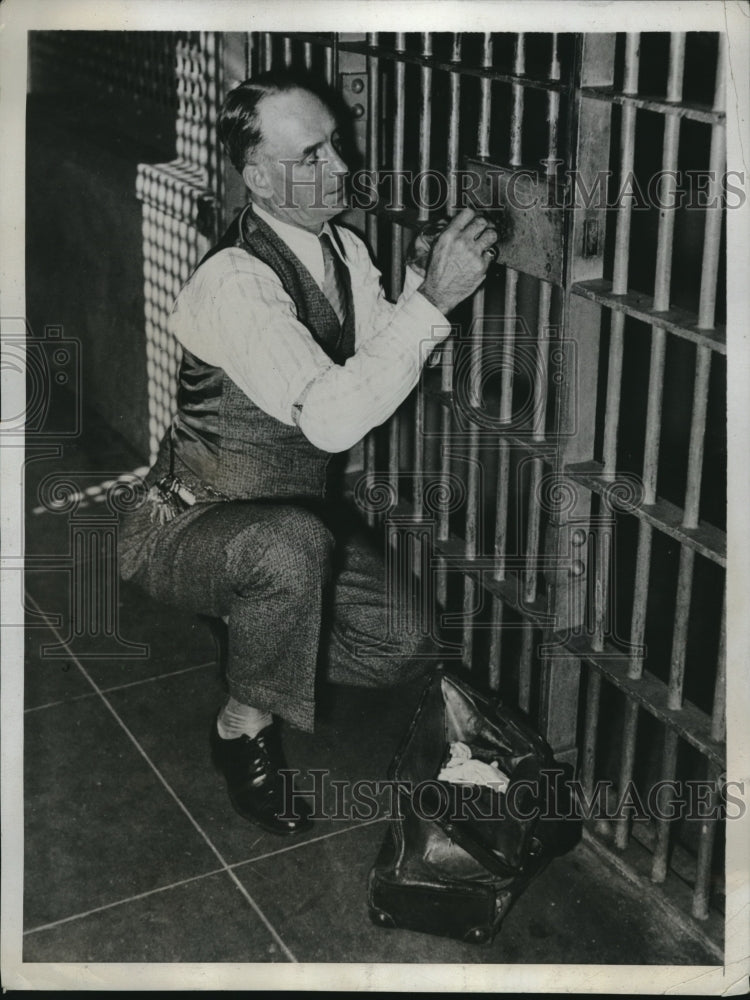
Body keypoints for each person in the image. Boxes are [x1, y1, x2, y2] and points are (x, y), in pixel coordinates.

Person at [118, 69, 498, 837]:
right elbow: (330, 421)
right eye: (313, 155)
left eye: (337, 146)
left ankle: (260, 630)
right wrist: (435, 303)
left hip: (282, 522)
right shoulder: (235, 281)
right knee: (290, 550)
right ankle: (242, 724)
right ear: (257, 177)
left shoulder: (342, 249)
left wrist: (422, 278)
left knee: (405, 646)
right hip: (183, 527)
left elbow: (381, 347)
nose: (342, 169)